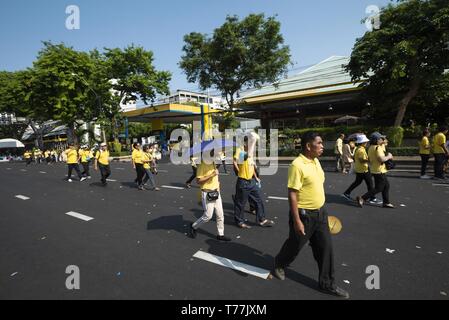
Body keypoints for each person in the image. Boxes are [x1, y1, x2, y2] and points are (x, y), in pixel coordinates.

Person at [272, 132, 349, 298]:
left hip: (320, 214)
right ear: (308, 146)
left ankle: (327, 284)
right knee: (294, 245)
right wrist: (297, 220)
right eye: (319, 143)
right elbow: (292, 194)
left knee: (326, 249)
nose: (322, 146)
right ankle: (279, 263)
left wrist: (321, 210)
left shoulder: (315, 161)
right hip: (304, 216)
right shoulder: (297, 165)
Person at [189, 150, 231, 242]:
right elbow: (198, 181)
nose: (215, 153)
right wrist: (212, 175)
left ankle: (220, 234)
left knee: (220, 215)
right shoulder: (202, 165)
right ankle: (194, 226)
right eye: (213, 152)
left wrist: (218, 184)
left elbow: (216, 173)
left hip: (216, 192)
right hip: (207, 193)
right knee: (208, 216)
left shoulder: (213, 162)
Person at [233, 136, 274, 229]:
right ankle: (239, 221)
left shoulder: (251, 153)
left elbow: (252, 166)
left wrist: (256, 177)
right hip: (243, 182)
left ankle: (262, 219)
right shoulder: (240, 151)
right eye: (250, 143)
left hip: (251, 182)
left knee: (258, 200)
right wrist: (253, 141)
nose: (252, 145)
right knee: (241, 203)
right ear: (245, 143)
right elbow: (242, 158)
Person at [356, 132, 395, 208]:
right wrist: (389, 156)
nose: (382, 139)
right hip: (379, 170)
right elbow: (381, 159)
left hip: (375, 169)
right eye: (380, 138)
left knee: (386, 186)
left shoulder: (370, 147)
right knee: (379, 188)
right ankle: (362, 198)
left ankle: (386, 202)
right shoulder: (378, 147)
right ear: (377, 140)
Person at [342, 135, 373, 200]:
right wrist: (369, 160)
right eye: (365, 142)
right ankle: (372, 197)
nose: (366, 143)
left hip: (359, 169)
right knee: (370, 184)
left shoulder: (358, 148)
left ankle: (347, 192)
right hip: (364, 169)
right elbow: (361, 160)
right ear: (363, 142)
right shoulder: (361, 150)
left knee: (357, 182)